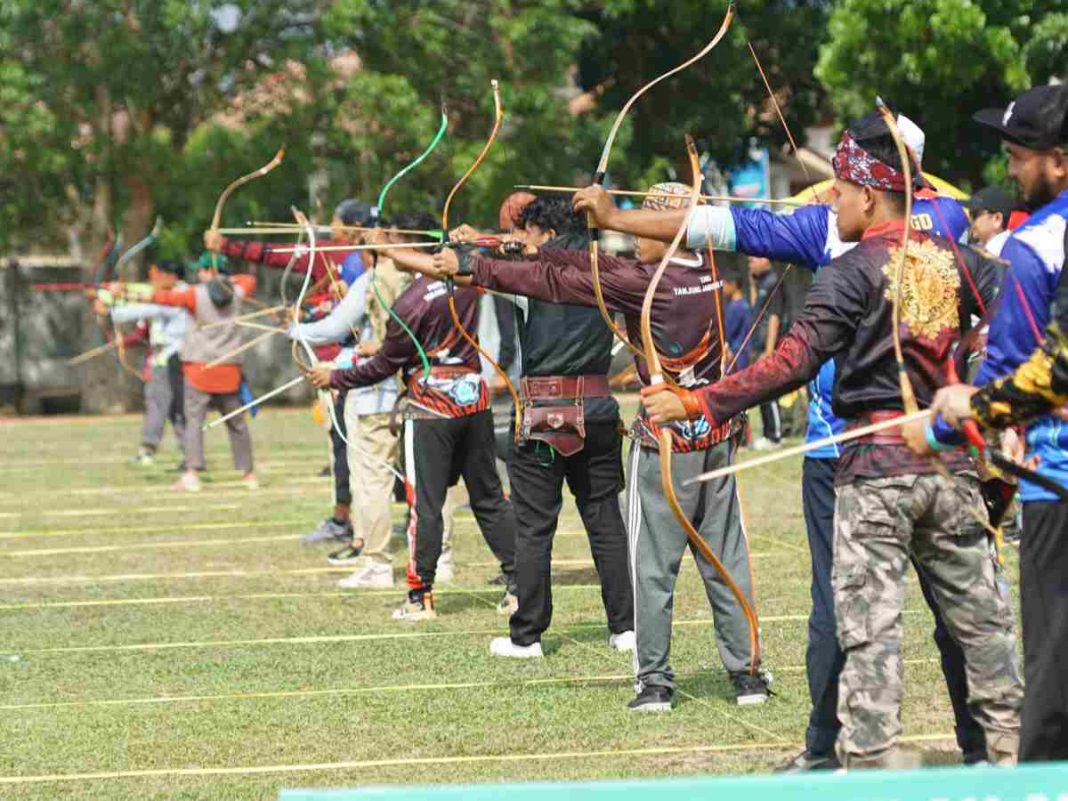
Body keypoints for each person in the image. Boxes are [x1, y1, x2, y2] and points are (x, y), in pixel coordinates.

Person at [575, 111, 989, 770]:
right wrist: (986, 388)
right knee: (963, 616)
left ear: (874, 184)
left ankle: (832, 752)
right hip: (939, 454)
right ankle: (983, 756)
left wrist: (615, 216)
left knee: (848, 616)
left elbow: (728, 245)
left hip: (848, 459)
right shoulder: (958, 229)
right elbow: (1007, 306)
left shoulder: (841, 242)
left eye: (844, 180)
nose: (830, 195)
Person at [433, 183, 768, 709]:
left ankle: (654, 683)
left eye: (644, 225)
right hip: (718, 438)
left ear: (670, 230)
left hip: (665, 445)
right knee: (726, 560)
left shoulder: (643, 283)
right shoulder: (707, 273)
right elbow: (568, 263)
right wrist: (512, 244)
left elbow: (557, 280)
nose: (632, 234)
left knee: (653, 567)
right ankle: (747, 677)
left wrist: (473, 267)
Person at [919, 83, 1068, 762]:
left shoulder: (1037, 245)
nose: (1008, 172)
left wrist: (959, 414)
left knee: (1052, 692)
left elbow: (1050, 372)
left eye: (1016, 156)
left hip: (1056, 489)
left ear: (1057, 161)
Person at [447, 195, 635, 659]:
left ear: (546, 235)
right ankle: (626, 628)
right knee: (604, 520)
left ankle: (526, 636)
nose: (522, 240)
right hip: (597, 411)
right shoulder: (605, 270)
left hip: (544, 418)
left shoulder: (534, 278)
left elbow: (470, 270)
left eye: (527, 232)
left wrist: (470, 251)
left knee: (533, 528)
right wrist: (487, 244)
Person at [306, 242, 517, 622]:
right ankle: (520, 587)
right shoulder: (468, 282)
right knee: (488, 498)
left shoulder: (410, 302)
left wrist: (334, 376)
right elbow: (399, 351)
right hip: (473, 398)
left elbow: (385, 365)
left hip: (431, 408)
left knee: (426, 504)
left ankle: (420, 596)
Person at [206, 199, 374, 546]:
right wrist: (304, 313)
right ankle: (364, 518)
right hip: (348, 363)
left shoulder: (342, 254)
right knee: (355, 445)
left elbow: (277, 254)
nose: (332, 227)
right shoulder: (352, 257)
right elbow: (330, 303)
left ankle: (349, 521)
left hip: (340, 364)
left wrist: (226, 245)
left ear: (353, 228)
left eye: (336, 222)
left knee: (347, 446)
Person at [288, 216, 425, 587]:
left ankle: (377, 562)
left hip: (375, 395)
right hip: (413, 392)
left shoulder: (380, 277)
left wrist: (296, 329)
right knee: (424, 478)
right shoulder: (424, 278)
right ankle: (438, 557)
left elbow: (334, 328)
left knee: (372, 481)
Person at [117, 254, 259, 493]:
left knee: (194, 421)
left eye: (203, 271)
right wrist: (223, 279)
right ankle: (249, 474)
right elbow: (249, 279)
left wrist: (124, 292)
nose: (199, 275)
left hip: (199, 368)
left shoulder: (195, 295)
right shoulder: (237, 291)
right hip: (228, 367)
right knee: (236, 423)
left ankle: (192, 474)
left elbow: (162, 297)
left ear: (208, 272)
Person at [95, 259, 188, 465]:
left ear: (170, 276)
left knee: (162, 404)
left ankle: (149, 450)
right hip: (173, 358)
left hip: (171, 359)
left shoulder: (178, 296)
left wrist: (111, 308)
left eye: (156, 275)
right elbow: (146, 301)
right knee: (177, 408)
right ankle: (189, 453)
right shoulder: (175, 293)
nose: (152, 280)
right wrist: (114, 295)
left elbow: (148, 309)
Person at [747, 256, 785, 449]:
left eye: (754, 259)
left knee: (769, 390)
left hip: (768, 346)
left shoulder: (773, 282)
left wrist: (769, 350)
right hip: (758, 345)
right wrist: (752, 283)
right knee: (761, 391)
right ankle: (767, 433)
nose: (750, 261)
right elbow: (756, 310)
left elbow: (774, 317)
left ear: (767, 260)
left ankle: (775, 436)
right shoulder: (761, 282)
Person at [964, 185, 1021, 255]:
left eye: (974, 215)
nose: (970, 220)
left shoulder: (997, 253)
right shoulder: (1009, 247)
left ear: (997, 219)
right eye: (970, 214)